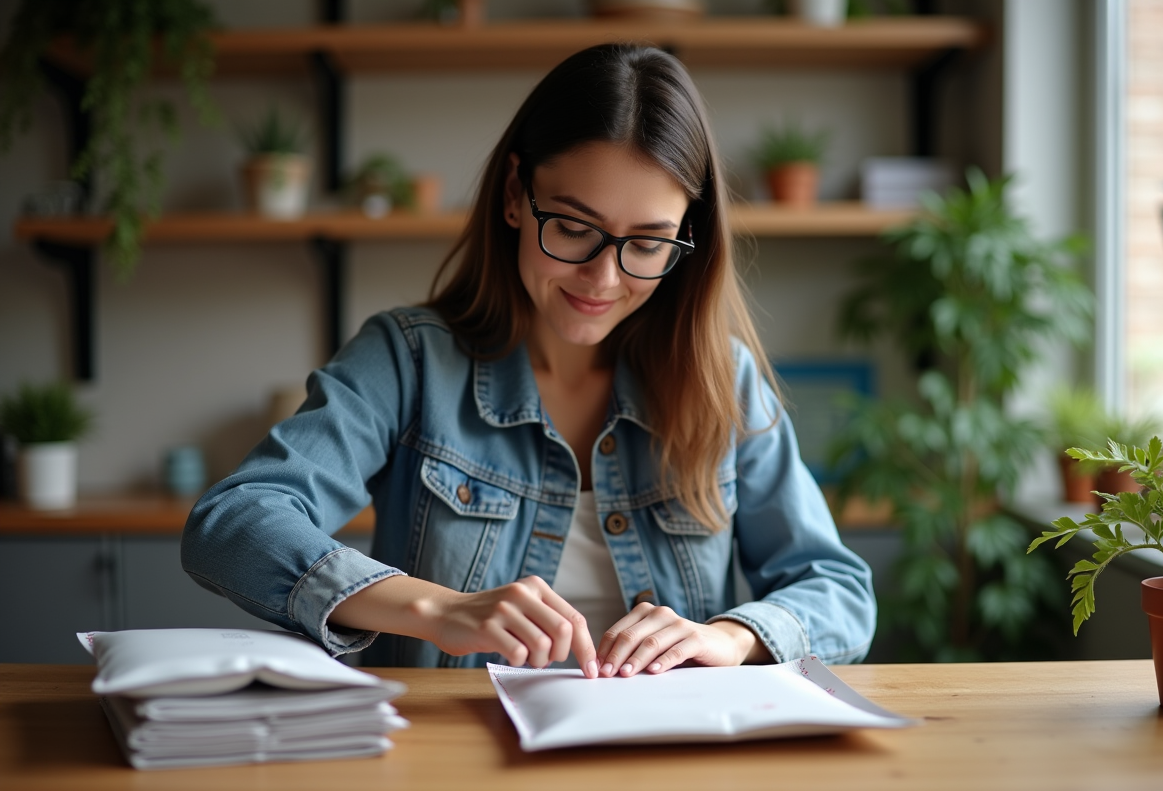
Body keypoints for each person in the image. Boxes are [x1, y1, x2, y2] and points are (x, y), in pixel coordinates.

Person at [182, 43, 875, 679]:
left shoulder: (725, 383)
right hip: (455, 761)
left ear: (685, 239)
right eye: (573, 227)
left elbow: (839, 591)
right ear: (515, 195)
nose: (603, 279)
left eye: (646, 244)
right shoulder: (411, 361)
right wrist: (434, 610)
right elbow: (235, 521)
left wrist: (732, 636)